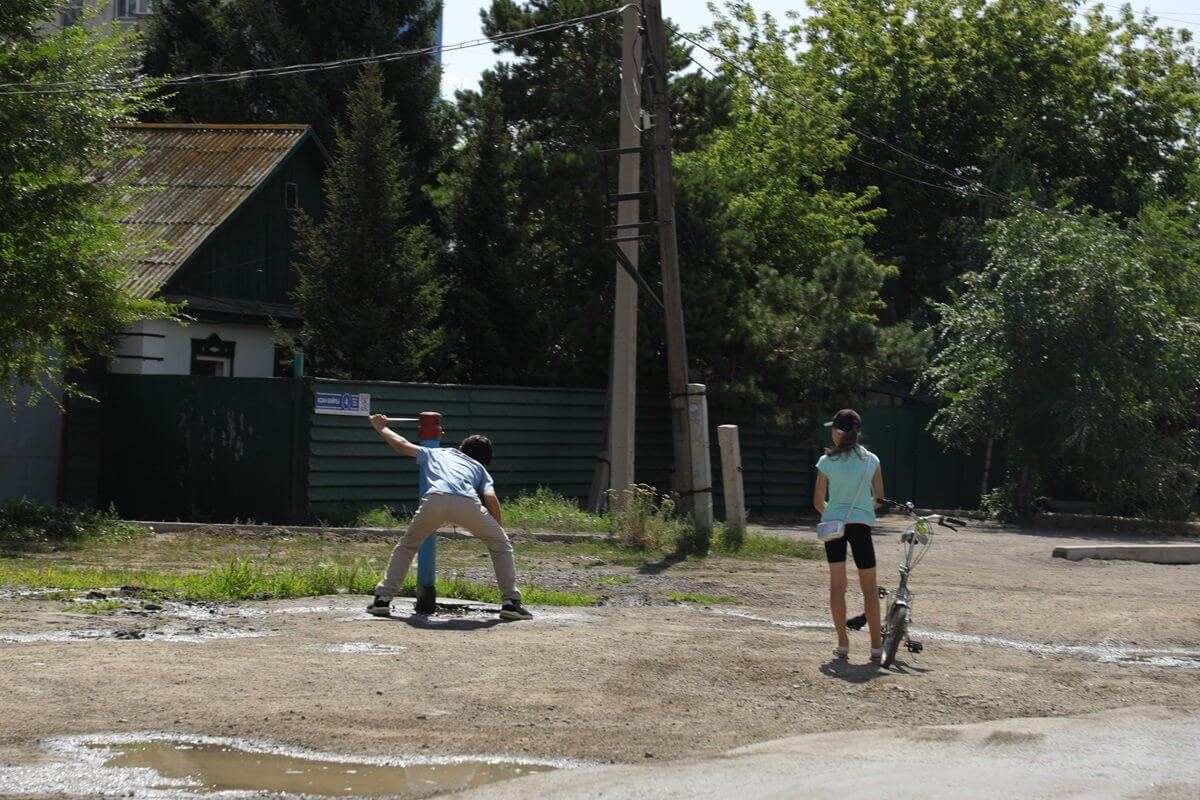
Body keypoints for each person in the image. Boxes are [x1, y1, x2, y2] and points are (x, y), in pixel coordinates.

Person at [365, 413, 532, 621]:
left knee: (408, 545)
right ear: (485, 460)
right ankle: (510, 603)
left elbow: (401, 444)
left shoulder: (439, 453)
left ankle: (382, 600)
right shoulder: (480, 469)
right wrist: (497, 531)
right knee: (501, 545)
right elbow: (490, 496)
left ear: (460, 448)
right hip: (468, 503)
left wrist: (380, 427)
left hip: (435, 499)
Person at [812, 408, 884, 661]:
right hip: (861, 526)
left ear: (838, 432)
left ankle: (843, 643)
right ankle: (876, 647)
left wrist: (832, 514)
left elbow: (818, 502)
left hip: (834, 526)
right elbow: (879, 498)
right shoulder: (871, 460)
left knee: (837, 586)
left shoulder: (826, 462)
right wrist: (863, 511)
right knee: (869, 589)